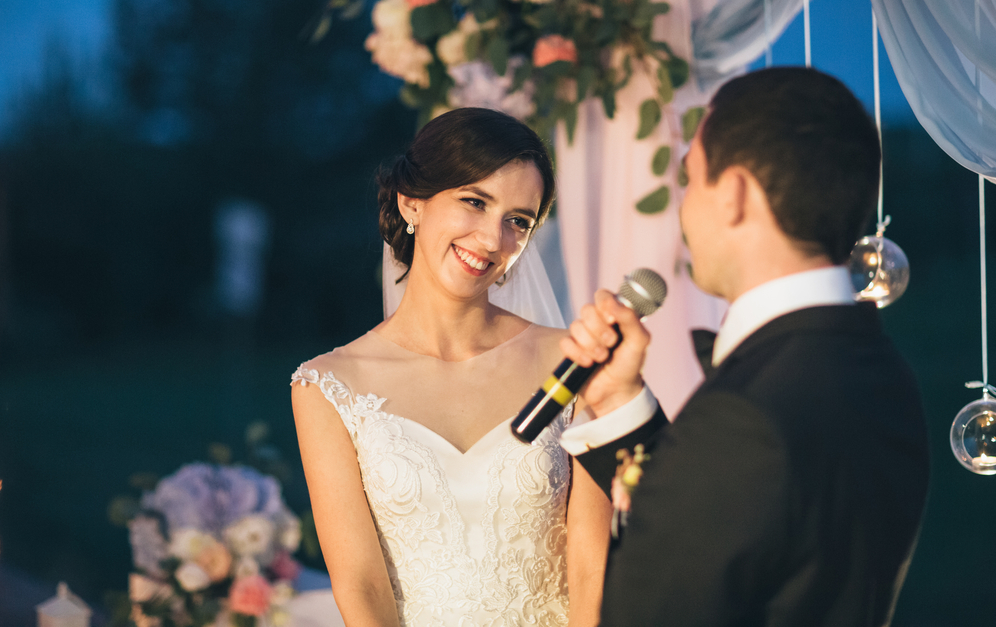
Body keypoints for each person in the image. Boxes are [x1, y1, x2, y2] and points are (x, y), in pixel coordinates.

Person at [556, 67, 931, 625]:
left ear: (733, 194)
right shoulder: (883, 370)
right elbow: (737, 523)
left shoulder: (745, 417)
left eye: (690, 179)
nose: (683, 209)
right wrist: (619, 404)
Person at [290, 107, 612, 626]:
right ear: (411, 202)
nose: (492, 239)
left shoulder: (572, 361)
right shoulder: (330, 386)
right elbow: (361, 586)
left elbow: (592, 566)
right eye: (474, 202)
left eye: (518, 221)